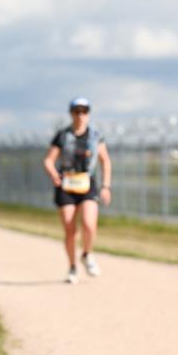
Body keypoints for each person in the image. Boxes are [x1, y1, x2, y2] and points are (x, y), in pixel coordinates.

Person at [43, 97, 112, 284]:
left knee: (89, 224)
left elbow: (105, 160)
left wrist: (106, 186)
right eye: (77, 111)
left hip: (87, 183)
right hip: (66, 183)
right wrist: (53, 174)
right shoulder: (62, 135)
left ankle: (87, 254)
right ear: (71, 113)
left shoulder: (96, 135)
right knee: (70, 228)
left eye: (84, 111)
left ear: (88, 113)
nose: (81, 115)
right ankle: (72, 266)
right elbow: (49, 160)